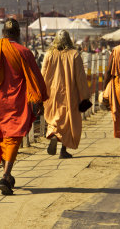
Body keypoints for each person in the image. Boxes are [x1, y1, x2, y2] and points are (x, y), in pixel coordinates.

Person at [0, 18, 48, 195]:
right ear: (18, 34)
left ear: (3, 33)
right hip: (17, 101)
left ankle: (7, 173)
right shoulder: (24, 52)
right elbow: (36, 78)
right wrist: (39, 99)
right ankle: (6, 175)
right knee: (13, 137)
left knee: (3, 136)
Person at [41, 30, 91, 159]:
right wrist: (85, 95)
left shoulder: (49, 54)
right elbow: (80, 77)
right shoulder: (74, 55)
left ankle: (53, 133)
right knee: (68, 121)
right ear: (69, 40)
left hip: (52, 93)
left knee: (54, 117)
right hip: (70, 94)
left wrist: (41, 93)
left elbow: (43, 75)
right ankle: (63, 150)